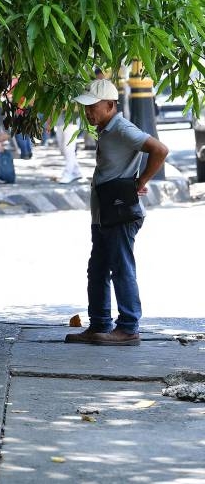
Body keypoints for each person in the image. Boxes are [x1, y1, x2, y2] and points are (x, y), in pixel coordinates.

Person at [65, 79, 168, 346]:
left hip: (120, 214)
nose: (88, 112)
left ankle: (128, 327)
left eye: (93, 107)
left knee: (121, 268)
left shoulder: (122, 128)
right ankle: (99, 324)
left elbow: (159, 150)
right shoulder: (105, 130)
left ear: (110, 105)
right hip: (104, 214)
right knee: (97, 269)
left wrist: (141, 181)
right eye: (86, 107)